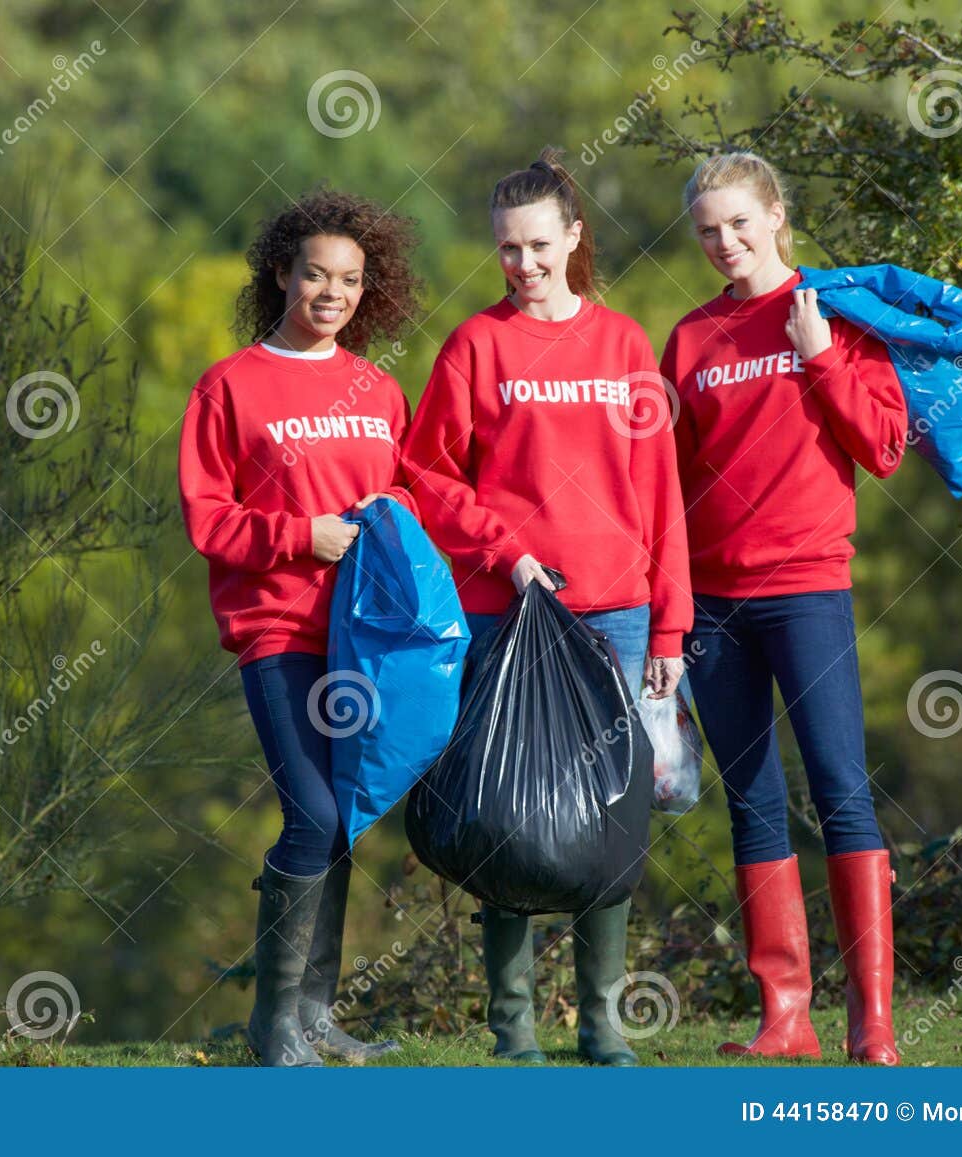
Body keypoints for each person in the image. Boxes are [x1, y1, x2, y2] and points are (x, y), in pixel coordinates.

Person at [402, 147, 691, 1066]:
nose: (523, 266)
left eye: (537, 246)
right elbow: (423, 472)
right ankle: (513, 1033)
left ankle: (604, 1025)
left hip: (614, 613)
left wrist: (671, 625)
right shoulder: (476, 347)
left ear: (573, 238)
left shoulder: (625, 345)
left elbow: (660, 489)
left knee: (614, 813)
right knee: (507, 813)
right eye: (506, 251)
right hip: (506, 611)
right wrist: (507, 551)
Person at [661, 151, 907, 1065]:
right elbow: (667, 487)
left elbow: (882, 447)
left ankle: (871, 1022)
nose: (725, 243)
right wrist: (668, 610)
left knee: (841, 789)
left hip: (806, 586)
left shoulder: (834, 314)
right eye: (708, 231)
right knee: (751, 800)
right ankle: (786, 1016)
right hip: (714, 603)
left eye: (739, 223)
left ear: (776, 215)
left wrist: (819, 362)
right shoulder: (687, 340)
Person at [178, 190, 423, 1066]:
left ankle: (315, 1015)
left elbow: (409, 500)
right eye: (315, 273)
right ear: (281, 272)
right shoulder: (230, 385)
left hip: (365, 639)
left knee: (340, 819)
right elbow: (209, 522)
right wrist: (300, 536)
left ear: (369, 288)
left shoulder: (378, 388)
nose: (331, 292)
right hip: (278, 628)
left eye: (350, 279)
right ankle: (271, 1027)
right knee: (312, 811)